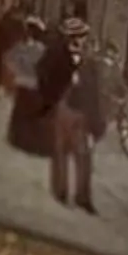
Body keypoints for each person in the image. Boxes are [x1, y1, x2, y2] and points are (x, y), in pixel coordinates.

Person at [49, 17, 107, 212]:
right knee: (60, 152)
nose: (80, 40)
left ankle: (83, 197)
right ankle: (60, 191)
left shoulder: (90, 63)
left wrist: (96, 122)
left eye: (82, 36)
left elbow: (95, 93)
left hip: (81, 114)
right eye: (76, 36)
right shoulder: (58, 58)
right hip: (62, 110)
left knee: (84, 155)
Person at [4, 19, 64, 159]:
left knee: (21, 114)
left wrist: (18, 71)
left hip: (24, 85)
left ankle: (18, 140)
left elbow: (8, 59)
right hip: (37, 87)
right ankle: (33, 144)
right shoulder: (44, 50)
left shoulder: (22, 47)